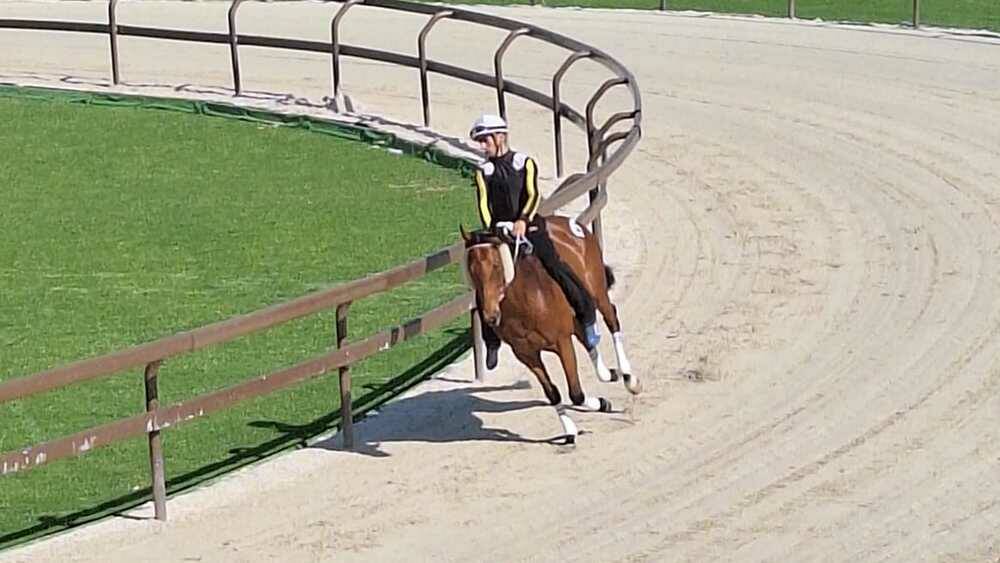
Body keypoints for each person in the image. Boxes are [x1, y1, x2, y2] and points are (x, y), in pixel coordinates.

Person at [468, 114, 601, 370]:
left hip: (529, 225)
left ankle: (586, 316)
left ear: (500, 137)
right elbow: (483, 204)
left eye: (485, 140)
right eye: (480, 142)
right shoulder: (482, 172)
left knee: (556, 267)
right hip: (501, 233)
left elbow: (533, 194)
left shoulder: (524, 163)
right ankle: (492, 341)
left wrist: (522, 219)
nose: (483, 146)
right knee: (484, 282)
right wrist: (494, 227)